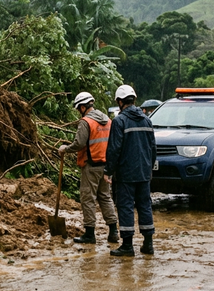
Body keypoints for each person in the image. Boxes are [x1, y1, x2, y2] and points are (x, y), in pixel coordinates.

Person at [103, 84, 157, 257]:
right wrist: (149, 168)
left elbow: (114, 149)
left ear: (120, 102)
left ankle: (127, 246)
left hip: (126, 174)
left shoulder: (119, 121)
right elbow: (153, 148)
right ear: (134, 99)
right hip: (143, 173)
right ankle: (148, 244)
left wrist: (108, 170)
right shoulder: (147, 120)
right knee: (145, 206)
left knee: (125, 207)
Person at [59, 92, 119, 244]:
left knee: (88, 198)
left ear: (83, 107)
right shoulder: (108, 120)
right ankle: (113, 232)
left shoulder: (86, 122)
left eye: (79, 108)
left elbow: (79, 143)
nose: (79, 112)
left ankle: (90, 234)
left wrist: (65, 149)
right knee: (105, 197)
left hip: (91, 166)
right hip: (105, 166)